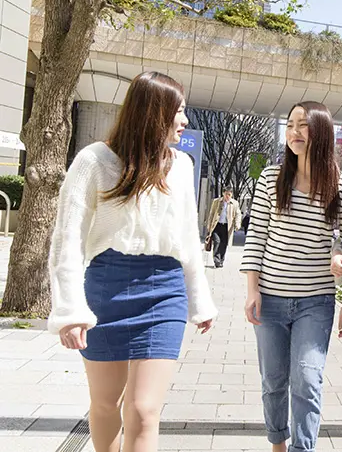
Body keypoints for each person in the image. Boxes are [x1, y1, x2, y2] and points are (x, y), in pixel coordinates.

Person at [47, 71, 217, 452]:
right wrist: (70, 310)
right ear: (154, 113)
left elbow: (189, 238)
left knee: (143, 410)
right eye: (179, 111)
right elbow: (68, 239)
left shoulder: (183, 166)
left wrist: (200, 299)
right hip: (107, 287)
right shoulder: (94, 161)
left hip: (165, 292)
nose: (185, 121)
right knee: (106, 404)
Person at [241, 101, 342, 452]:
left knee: (308, 380)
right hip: (271, 300)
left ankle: (302, 449)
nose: (294, 132)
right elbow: (256, 238)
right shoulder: (270, 179)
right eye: (290, 125)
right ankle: (278, 443)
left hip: (316, 302)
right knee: (274, 380)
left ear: (321, 132)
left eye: (303, 125)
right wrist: (252, 290)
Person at [206, 187, 242, 268]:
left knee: (224, 244)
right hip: (216, 225)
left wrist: (237, 224)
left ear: (231, 195)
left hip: (227, 227)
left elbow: (238, 214)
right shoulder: (217, 202)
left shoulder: (235, 204)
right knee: (217, 242)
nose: (227, 196)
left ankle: (221, 260)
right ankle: (216, 260)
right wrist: (209, 226)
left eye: (229, 194)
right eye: (226, 194)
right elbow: (211, 214)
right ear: (223, 193)